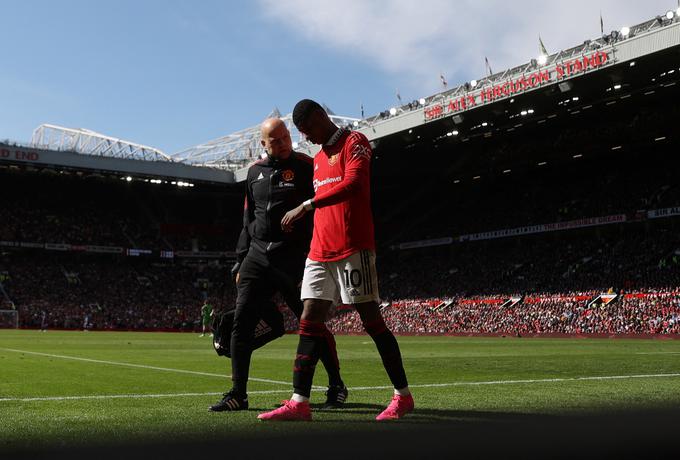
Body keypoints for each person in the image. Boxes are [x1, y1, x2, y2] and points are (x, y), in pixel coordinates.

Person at [258, 99, 413, 422]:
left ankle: (402, 396)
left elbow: (354, 185)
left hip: (353, 246)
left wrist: (306, 205)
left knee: (372, 322)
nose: (308, 138)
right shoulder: (316, 159)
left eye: (308, 130)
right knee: (309, 321)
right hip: (319, 251)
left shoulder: (354, 142)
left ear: (320, 117)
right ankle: (299, 401)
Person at [209, 117, 347, 412]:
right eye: (276, 140)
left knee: (312, 325)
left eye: (285, 137)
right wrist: (239, 262)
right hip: (256, 258)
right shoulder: (253, 173)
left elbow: (325, 206)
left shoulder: (306, 165)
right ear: (264, 144)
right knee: (242, 324)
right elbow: (248, 220)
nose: (284, 143)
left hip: (295, 259)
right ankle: (238, 394)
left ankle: (336, 385)